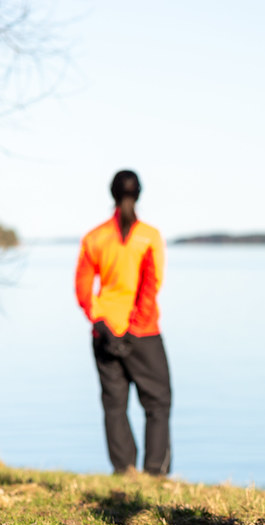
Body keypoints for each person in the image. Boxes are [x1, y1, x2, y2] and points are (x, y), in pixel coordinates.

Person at [75, 170, 172, 476]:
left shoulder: (94, 238)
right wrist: (133, 328)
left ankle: (124, 470)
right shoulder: (150, 236)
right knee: (158, 402)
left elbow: (82, 288)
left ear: (112, 194)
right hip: (143, 333)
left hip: (105, 332)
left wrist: (102, 324)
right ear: (139, 193)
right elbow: (151, 284)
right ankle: (155, 471)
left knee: (114, 405)